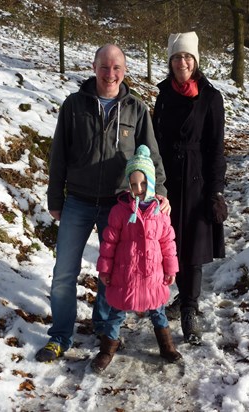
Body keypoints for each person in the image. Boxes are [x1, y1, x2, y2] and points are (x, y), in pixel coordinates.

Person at [35, 44, 169, 362]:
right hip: (77, 202)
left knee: (115, 273)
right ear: (94, 67)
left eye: (117, 68)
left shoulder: (136, 109)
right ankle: (60, 336)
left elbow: (150, 153)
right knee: (64, 273)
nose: (110, 74)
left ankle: (103, 328)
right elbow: (59, 157)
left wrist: (159, 191)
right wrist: (56, 198)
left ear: (125, 71)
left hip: (120, 204)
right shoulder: (73, 106)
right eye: (105, 67)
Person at [152, 32, 227, 345]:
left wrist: (216, 191)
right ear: (170, 61)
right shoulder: (164, 95)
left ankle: (190, 310)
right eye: (176, 57)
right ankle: (181, 298)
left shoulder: (211, 97)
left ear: (195, 61)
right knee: (172, 243)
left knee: (193, 246)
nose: (182, 62)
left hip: (197, 178)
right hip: (168, 179)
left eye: (187, 57)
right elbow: (152, 142)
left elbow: (216, 147)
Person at [91, 145, 182, 373]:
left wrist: (171, 269)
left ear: (151, 182)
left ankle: (166, 346)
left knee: (158, 312)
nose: (138, 189)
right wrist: (105, 270)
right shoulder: (120, 211)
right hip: (126, 275)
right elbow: (109, 243)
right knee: (116, 313)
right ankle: (106, 350)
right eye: (133, 184)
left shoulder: (160, 212)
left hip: (153, 275)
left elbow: (168, 244)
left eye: (143, 183)